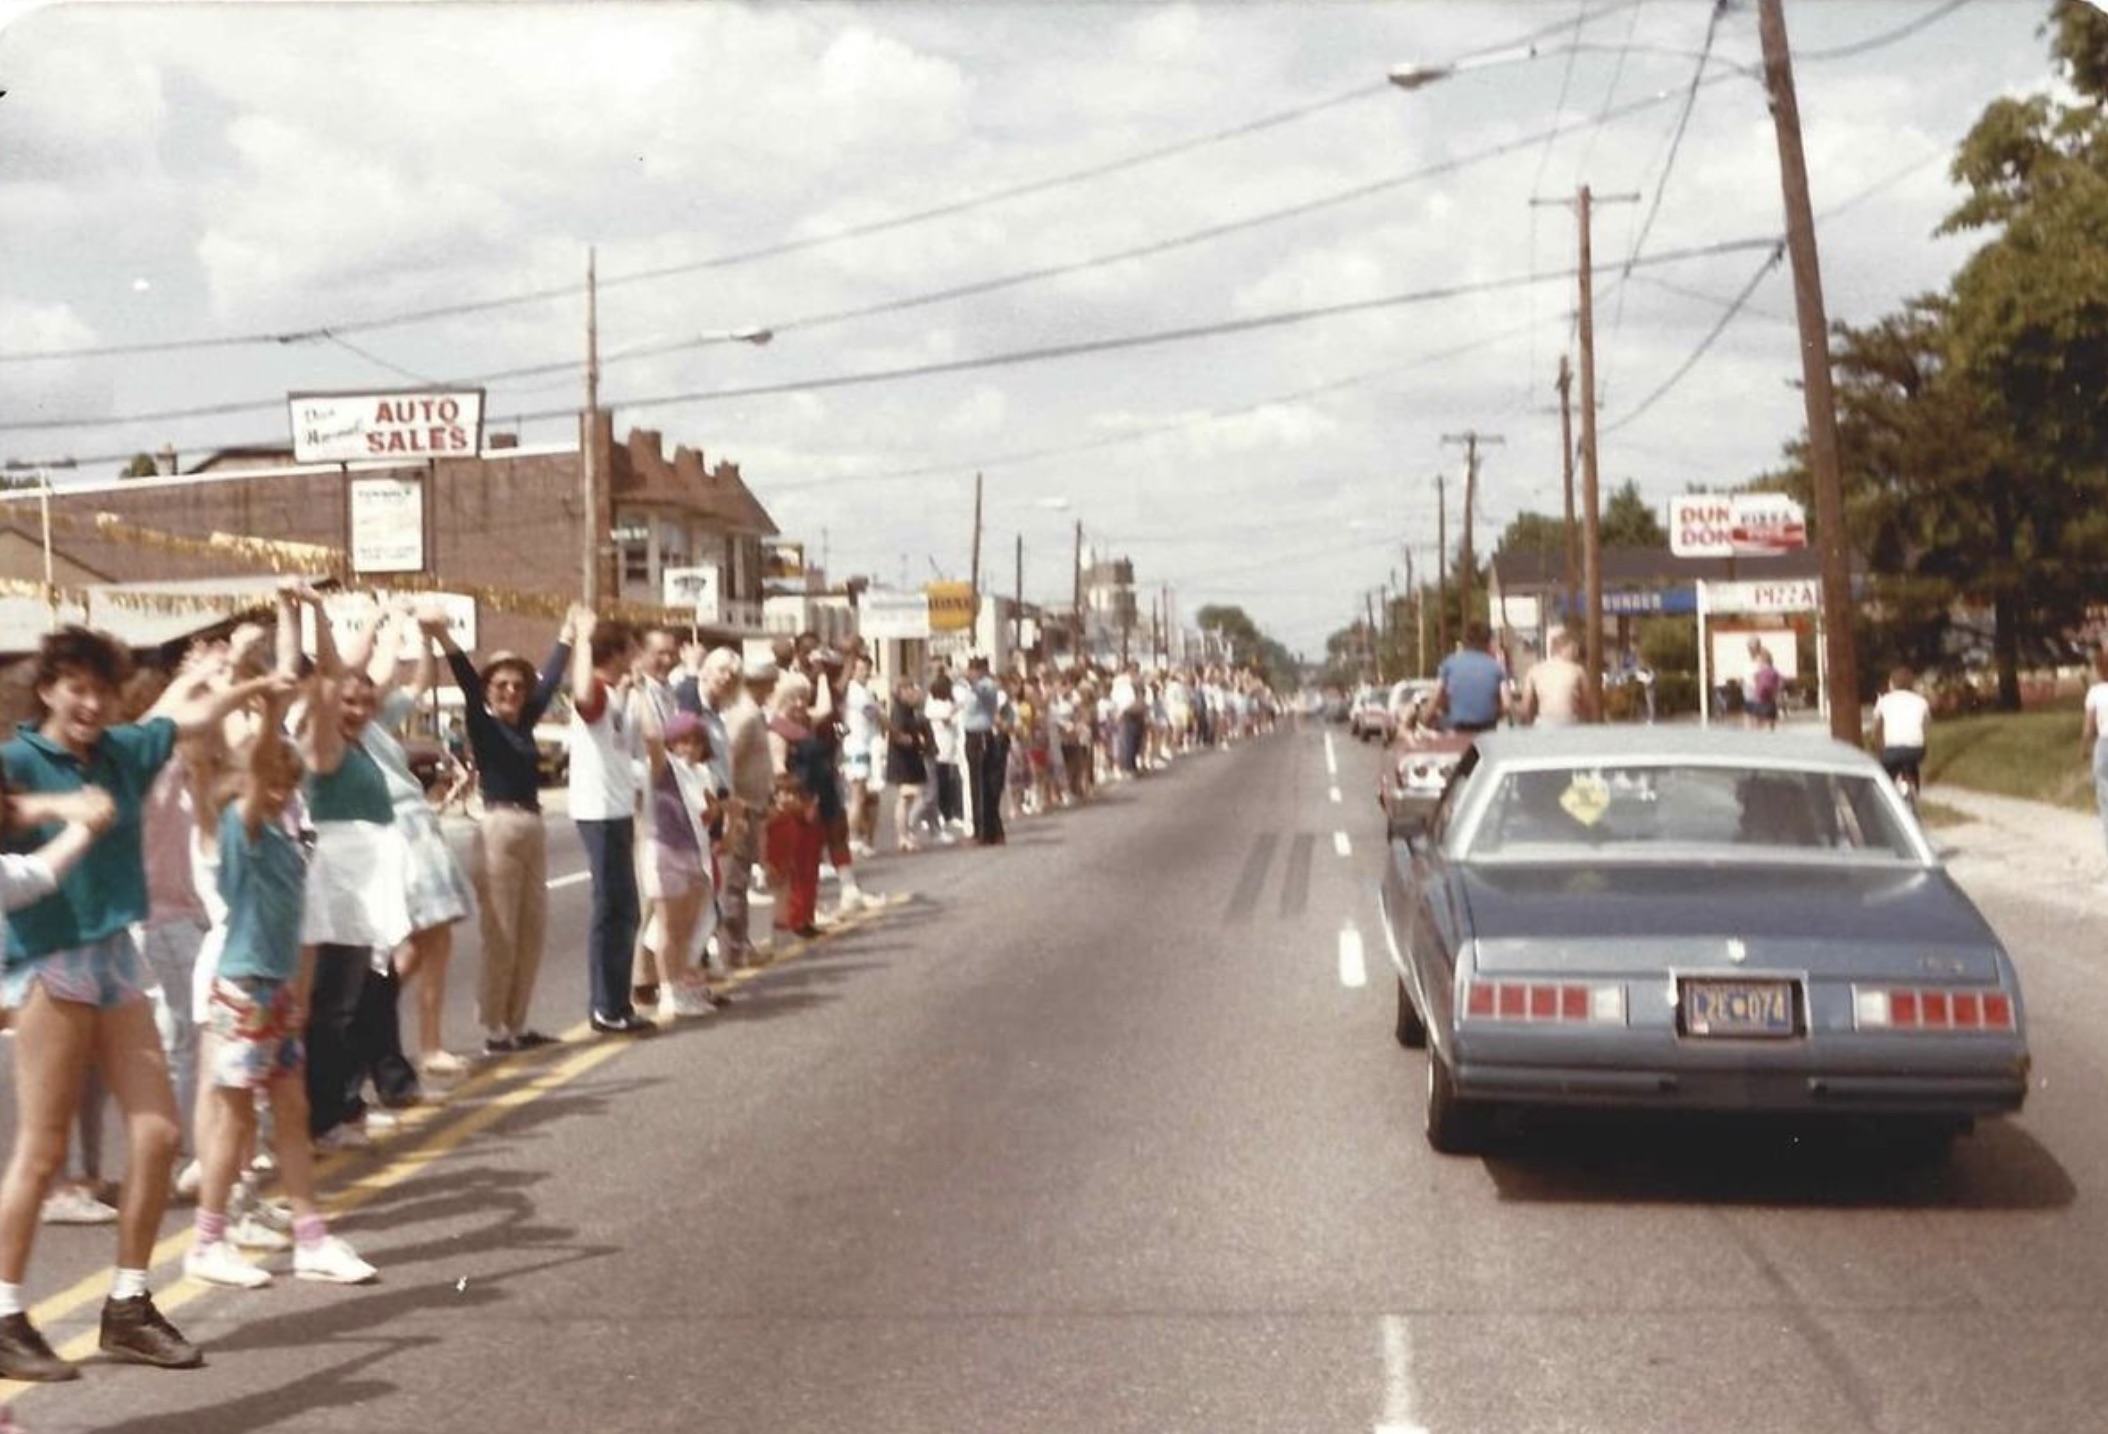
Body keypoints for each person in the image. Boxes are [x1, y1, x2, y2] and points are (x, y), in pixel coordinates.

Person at [0, 626, 279, 1380]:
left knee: (156, 1135)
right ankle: (4, 1311)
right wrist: (59, 808)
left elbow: (192, 716)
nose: (89, 703)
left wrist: (250, 682)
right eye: (75, 688)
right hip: (50, 959)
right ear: (48, 689)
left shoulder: (124, 749)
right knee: (44, 1147)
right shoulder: (17, 760)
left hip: (116, 957)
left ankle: (128, 1304)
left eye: (100, 689)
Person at [181, 663, 376, 1290]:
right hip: (241, 990)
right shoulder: (241, 837)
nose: (280, 791)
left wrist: (294, 995)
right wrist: (266, 713)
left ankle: (311, 1237)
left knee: (291, 1112)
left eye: (288, 785)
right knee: (235, 1119)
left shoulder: (288, 841)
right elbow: (260, 765)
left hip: (274, 991)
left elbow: (296, 930)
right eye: (270, 783)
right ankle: (207, 1240)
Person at [422, 604, 571, 1055]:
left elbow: (547, 686)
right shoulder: (484, 726)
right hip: (500, 827)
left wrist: (566, 637)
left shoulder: (525, 724)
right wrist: (445, 639)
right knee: (502, 932)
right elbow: (468, 681)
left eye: (517, 686)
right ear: (489, 691)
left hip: (532, 823)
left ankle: (516, 1023)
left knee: (532, 930)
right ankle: (493, 1028)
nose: (511, 691)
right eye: (501, 685)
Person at [566, 610, 654, 1037]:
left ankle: (617, 1001)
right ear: (617, 652)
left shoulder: (617, 694)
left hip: (617, 809)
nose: (637, 655)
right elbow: (582, 696)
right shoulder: (597, 691)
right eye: (631, 648)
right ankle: (605, 1005)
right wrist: (582, 639)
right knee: (612, 909)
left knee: (626, 910)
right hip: (598, 811)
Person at [1870, 666, 1932, 801]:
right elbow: (1927, 722)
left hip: (1893, 749)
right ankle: (1915, 791)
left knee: (1887, 777)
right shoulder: (1921, 701)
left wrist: (1876, 744)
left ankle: (1888, 799)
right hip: (1916, 749)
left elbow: (1876, 725)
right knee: (1912, 765)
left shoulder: (1884, 700)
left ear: (1892, 684)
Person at [1435, 621, 1508, 734]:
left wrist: (1423, 718)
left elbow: (1436, 699)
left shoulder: (1449, 663)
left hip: (1456, 728)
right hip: (1487, 729)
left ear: (1464, 642)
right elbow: (1507, 705)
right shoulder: (1496, 668)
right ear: (1488, 642)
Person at [1518, 632, 1591, 727]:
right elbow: (1587, 704)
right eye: (1574, 649)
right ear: (1565, 649)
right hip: (1569, 722)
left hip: (1543, 722)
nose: (1576, 654)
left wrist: (1526, 726)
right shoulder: (1577, 670)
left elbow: (1525, 707)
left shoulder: (1534, 670)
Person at [2082, 647, 2108, 861]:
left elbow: (2089, 727)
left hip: (2104, 746)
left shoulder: (2095, 692)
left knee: (2105, 800)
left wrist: (2083, 747)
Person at [1745, 645, 1783, 730]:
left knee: (1759, 728)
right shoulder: (1775, 672)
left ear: (1762, 661)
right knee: (1771, 728)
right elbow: (1780, 685)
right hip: (1771, 703)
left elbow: (1754, 686)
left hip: (1760, 704)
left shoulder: (1758, 673)